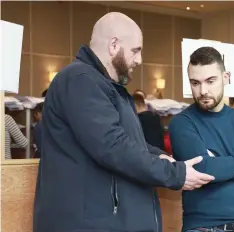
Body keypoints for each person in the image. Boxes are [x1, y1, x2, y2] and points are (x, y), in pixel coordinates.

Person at [33, 12, 214, 232]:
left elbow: (125, 140)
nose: (139, 60)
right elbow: (112, 145)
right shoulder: (81, 79)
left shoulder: (106, 87)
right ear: (114, 45)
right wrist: (175, 174)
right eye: (135, 50)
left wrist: (159, 156)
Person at [169, 47, 234, 232]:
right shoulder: (181, 123)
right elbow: (204, 169)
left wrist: (218, 163)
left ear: (226, 77)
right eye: (195, 83)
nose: (203, 91)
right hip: (203, 227)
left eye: (210, 81)